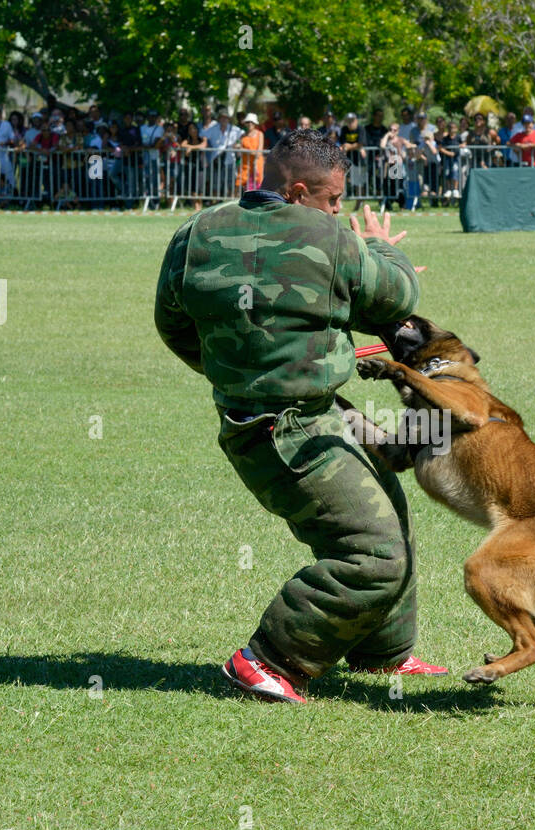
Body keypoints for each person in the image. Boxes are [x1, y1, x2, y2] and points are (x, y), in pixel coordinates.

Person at [154, 129, 446, 703]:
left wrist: (241, 367)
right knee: (372, 555)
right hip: (289, 433)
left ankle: (380, 653)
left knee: (389, 504)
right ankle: (266, 660)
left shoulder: (194, 233)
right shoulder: (331, 238)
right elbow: (397, 296)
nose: (339, 212)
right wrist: (382, 246)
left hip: (272, 417)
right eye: (333, 200)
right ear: (298, 190)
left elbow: (174, 325)